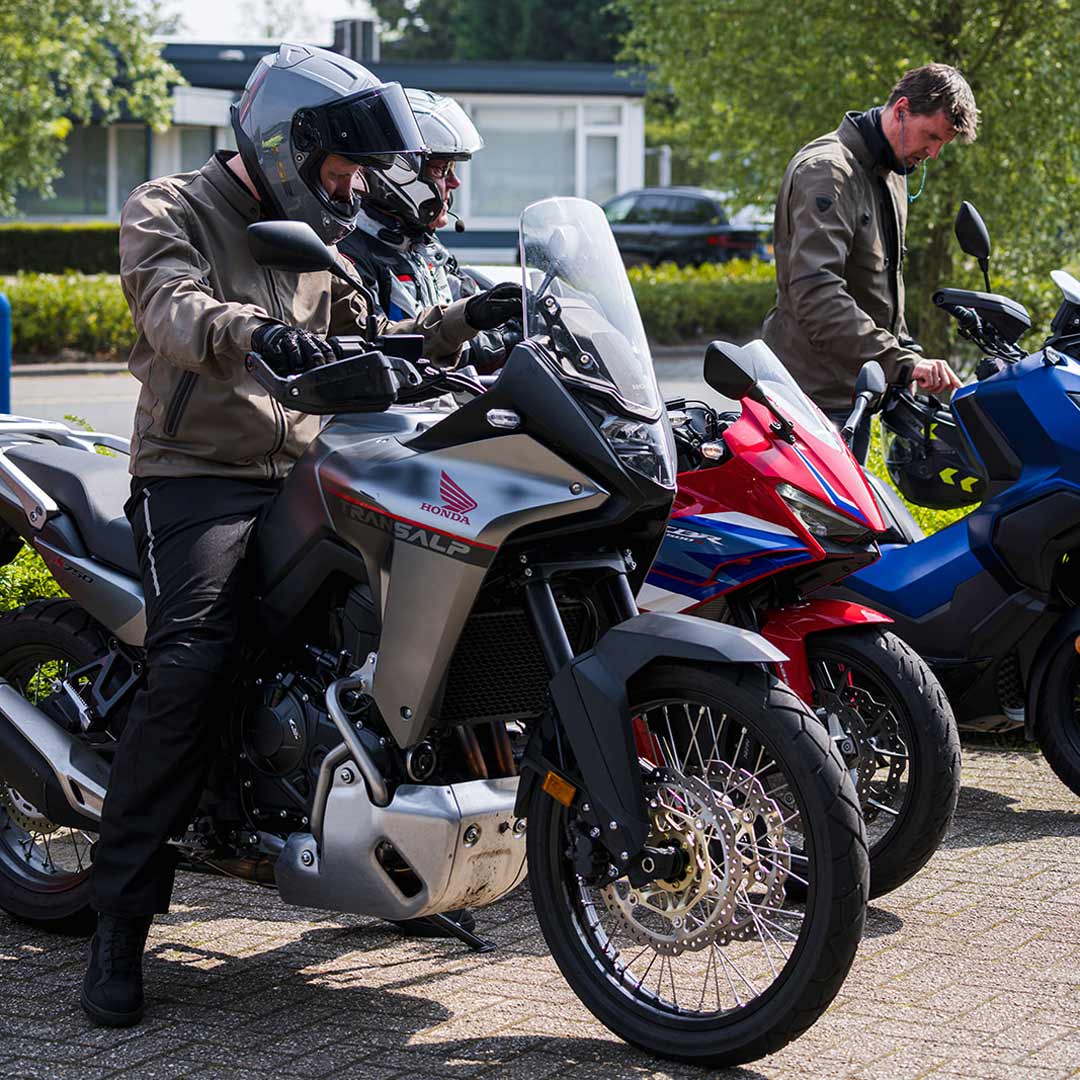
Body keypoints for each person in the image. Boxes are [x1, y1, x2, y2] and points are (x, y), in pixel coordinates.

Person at [82, 43, 516, 1029]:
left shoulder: (322, 232)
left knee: (405, 621)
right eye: (346, 165)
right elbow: (174, 310)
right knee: (193, 660)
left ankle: (396, 847)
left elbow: (369, 343)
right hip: (199, 475)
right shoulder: (170, 208)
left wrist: (465, 324)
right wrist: (258, 334)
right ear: (290, 145)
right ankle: (119, 918)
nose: (356, 185)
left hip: (313, 471)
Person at [763, 63, 979, 461]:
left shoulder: (892, 171)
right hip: (810, 402)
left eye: (942, 144)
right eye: (931, 136)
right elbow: (816, 295)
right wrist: (900, 362)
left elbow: (880, 284)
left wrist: (908, 354)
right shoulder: (828, 172)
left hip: (854, 394)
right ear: (901, 110)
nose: (933, 153)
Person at [339, 88, 521, 372]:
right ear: (397, 175)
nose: (455, 183)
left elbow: (466, 305)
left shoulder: (424, 250)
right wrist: (495, 339)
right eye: (441, 170)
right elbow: (385, 348)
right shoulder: (351, 256)